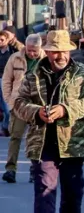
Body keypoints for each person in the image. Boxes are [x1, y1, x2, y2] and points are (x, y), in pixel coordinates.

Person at [13, 30, 84, 213]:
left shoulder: (83, 73)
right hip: (43, 141)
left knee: (73, 190)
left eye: (63, 51)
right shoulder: (33, 75)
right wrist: (36, 112)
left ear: (69, 51)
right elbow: (19, 103)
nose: (59, 56)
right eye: (54, 52)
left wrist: (66, 110)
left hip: (73, 142)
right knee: (45, 187)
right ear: (47, 52)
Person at [1, 34, 44, 184]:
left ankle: (35, 169)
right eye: (29, 50)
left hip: (38, 105)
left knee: (36, 139)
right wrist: (9, 101)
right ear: (25, 46)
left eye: (35, 51)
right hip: (19, 104)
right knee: (15, 137)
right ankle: (10, 170)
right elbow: (6, 80)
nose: (32, 53)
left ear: (40, 48)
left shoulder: (46, 60)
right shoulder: (15, 58)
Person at [0, 31, 15, 136]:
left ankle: (5, 127)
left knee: (7, 107)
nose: (0, 42)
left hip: (6, 80)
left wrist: (14, 41)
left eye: (2, 40)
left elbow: (24, 49)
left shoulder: (12, 50)